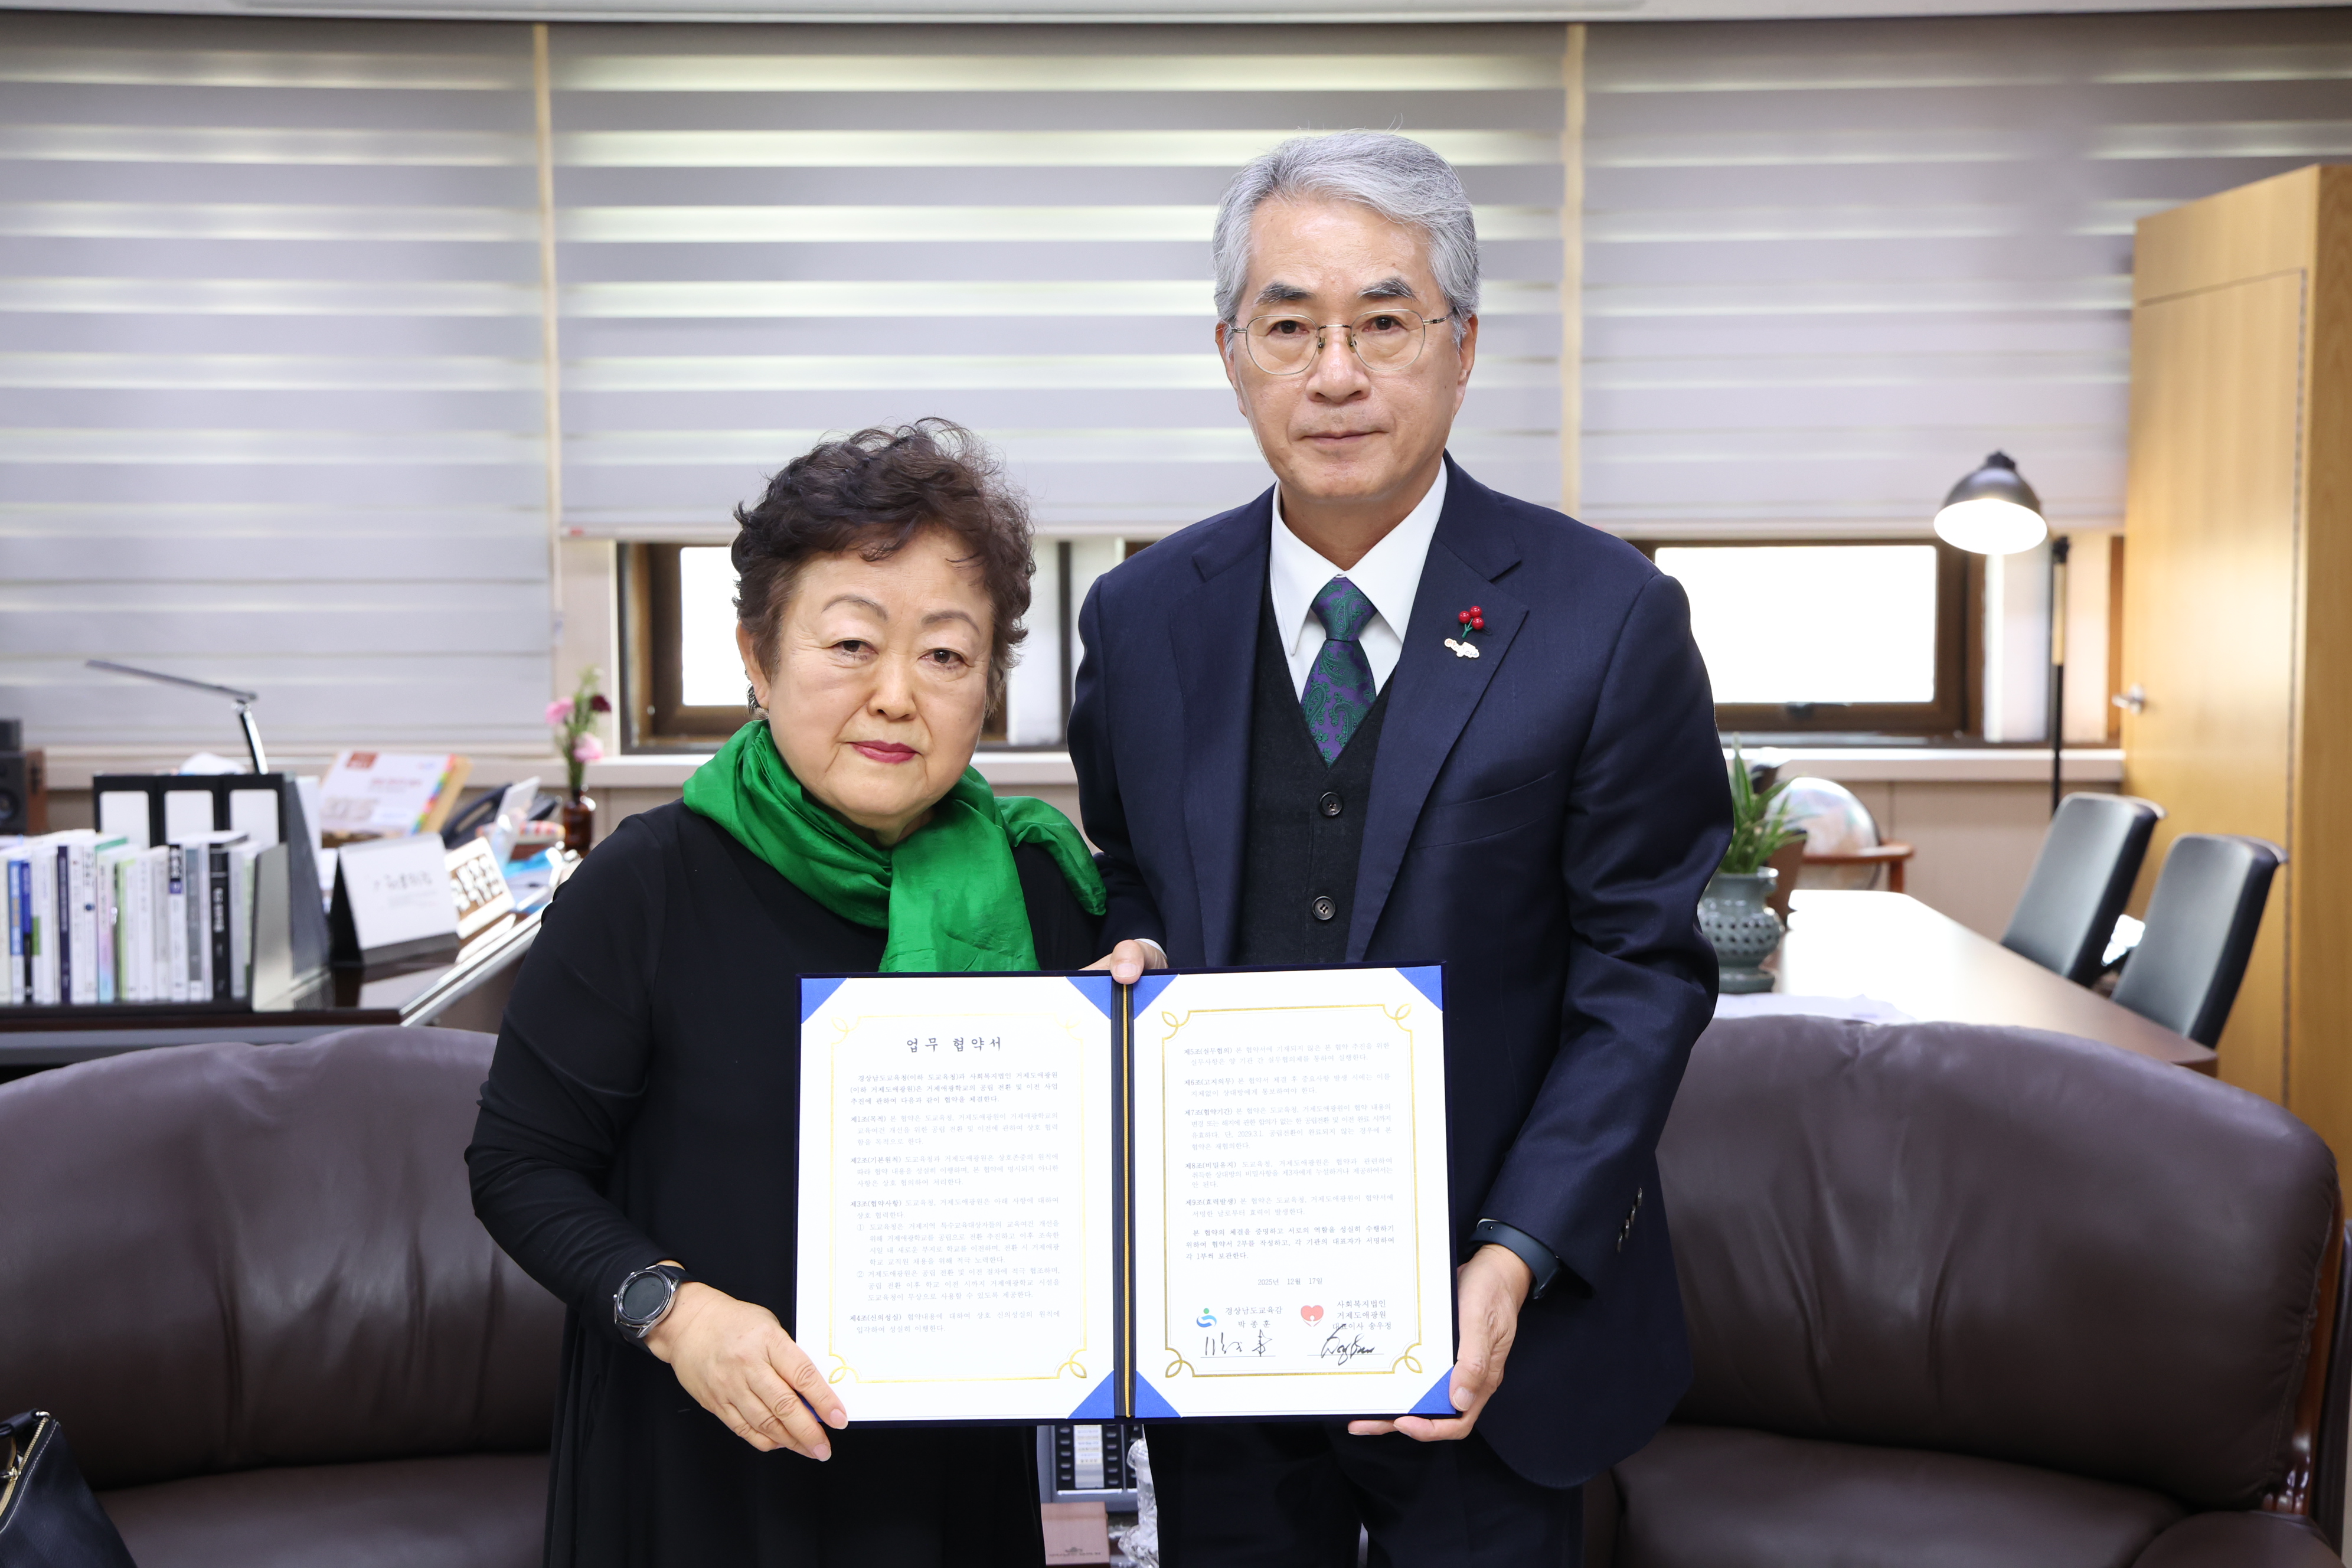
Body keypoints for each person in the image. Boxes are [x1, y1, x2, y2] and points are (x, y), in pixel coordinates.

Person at [1070, 132, 1732, 1563]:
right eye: (1289, 325)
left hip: (1495, 1322)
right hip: (1221, 1326)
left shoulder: (1607, 615)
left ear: (1464, 344)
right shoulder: (1139, 620)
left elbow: (1644, 973)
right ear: (1233, 350)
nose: (1337, 372)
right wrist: (1125, 946)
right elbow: (1127, 862)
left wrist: (1515, 1252)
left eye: (1384, 321)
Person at [468, 420, 1103, 1567]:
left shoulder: (1046, 893)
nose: (898, 696)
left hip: (947, 1469)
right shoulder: (645, 884)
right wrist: (676, 1311)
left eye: (947, 655)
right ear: (756, 658)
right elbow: (519, 1165)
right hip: (697, 1459)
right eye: (853, 643)